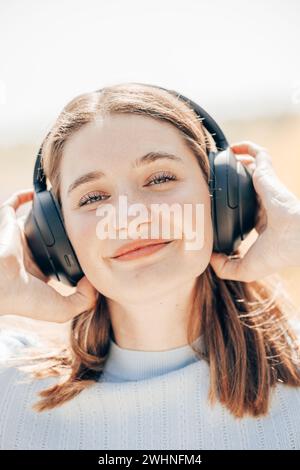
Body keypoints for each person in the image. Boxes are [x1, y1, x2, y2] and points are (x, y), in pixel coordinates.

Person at [0, 83, 300, 450]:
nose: (131, 218)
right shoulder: (10, 388)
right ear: (55, 234)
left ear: (223, 196)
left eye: (160, 178)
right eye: (94, 197)